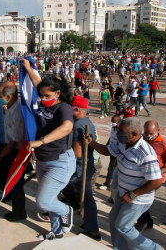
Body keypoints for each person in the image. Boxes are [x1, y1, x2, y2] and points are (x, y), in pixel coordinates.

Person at [84, 117, 163, 250]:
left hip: (137, 199)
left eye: (120, 131)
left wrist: (133, 194)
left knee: (123, 226)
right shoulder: (123, 143)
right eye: (117, 129)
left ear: (134, 134)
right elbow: (107, 151)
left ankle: (153, 248)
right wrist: (91, 142)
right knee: (114, 220)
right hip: (123, 193)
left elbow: (156, 181)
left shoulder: (145, 153)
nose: (117, 132)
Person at [21, 58, 76, 241]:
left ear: (57, 93)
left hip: (60, 161)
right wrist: (28, 68)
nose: (43, 99)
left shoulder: (63, 108)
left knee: (44, 201)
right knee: (50, 198)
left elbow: (67, 128)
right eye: (41, 96)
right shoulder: (45, 94)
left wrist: (41, 141)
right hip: (43, 161)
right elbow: (38, 83)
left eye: (47, 96)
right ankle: (57, 230)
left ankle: (66, 210)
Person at [0, 81, 27, 221]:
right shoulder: (10, 107)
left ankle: (19, 212)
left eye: (0, 96)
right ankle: (7, 191)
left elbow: (15, 140)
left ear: (9, 97)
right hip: (9, 146)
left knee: (16, 182)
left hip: (18, 150)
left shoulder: (18, 112)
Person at [68, 96, 102, 241]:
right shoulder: (86, 122)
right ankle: (88, 221)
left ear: (76, 109)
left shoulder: (78, 125)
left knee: (85, 197)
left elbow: (78, 152)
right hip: (86, 165)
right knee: (85, 196)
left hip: (80, 166)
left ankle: (93, 229)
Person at [135, 120, 166, 231]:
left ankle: (142, 221)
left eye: (151, 134)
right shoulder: (142, 139)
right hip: (142, 176)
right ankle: (148, 221)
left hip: (156, 179)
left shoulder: (165, 145)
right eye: (146, 133)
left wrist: (158, 172)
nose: (148, 136)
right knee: (141, 199)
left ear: (158, 131)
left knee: (139, 198)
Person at [99, 115, 120, 191]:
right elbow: (111, 137)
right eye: (112, 122)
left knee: (111, 168)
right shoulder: (113, 128)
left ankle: (107, 184)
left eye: (114, 122)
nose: (112, 123)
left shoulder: (120, 130)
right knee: (112, 167)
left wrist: (117, 157)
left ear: (118, 121)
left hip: (117, 152)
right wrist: (107, 145)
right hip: (112, 149)